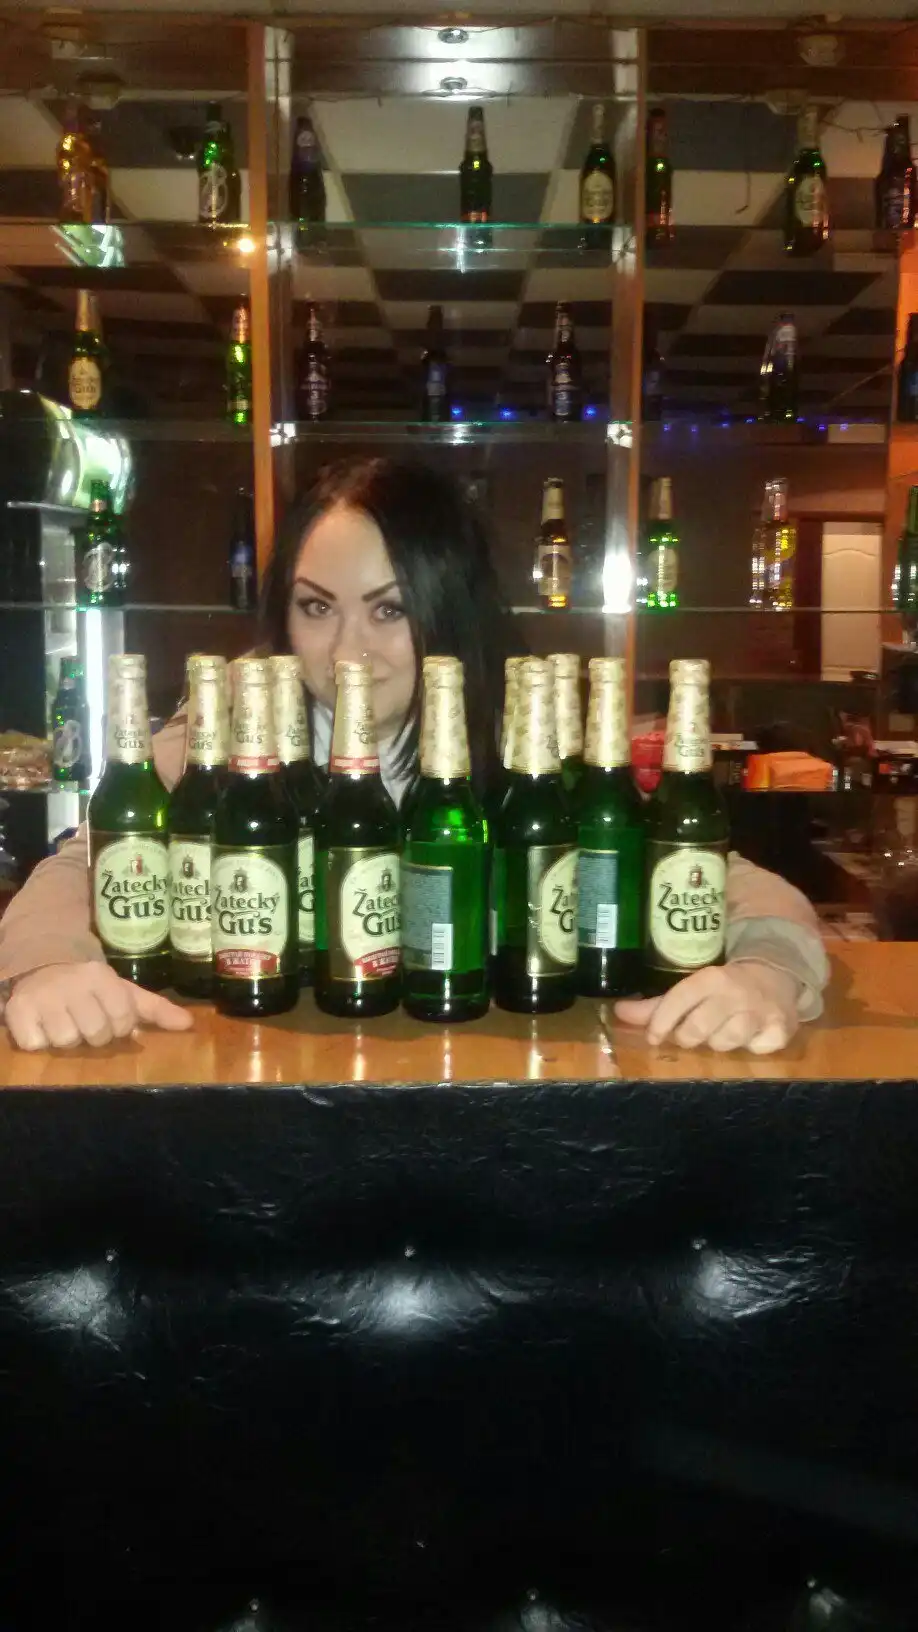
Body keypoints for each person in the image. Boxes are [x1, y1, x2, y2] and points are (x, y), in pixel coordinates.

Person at [0, 457, 828, 1054]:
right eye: (316, 607)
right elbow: (76, 867)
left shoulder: (523, 736)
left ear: (446, 611)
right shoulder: (230, 734)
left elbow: (733, 883)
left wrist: (767, 975)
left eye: (389, 610)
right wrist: (46, 969)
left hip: (497, 1078)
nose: (347, 652)